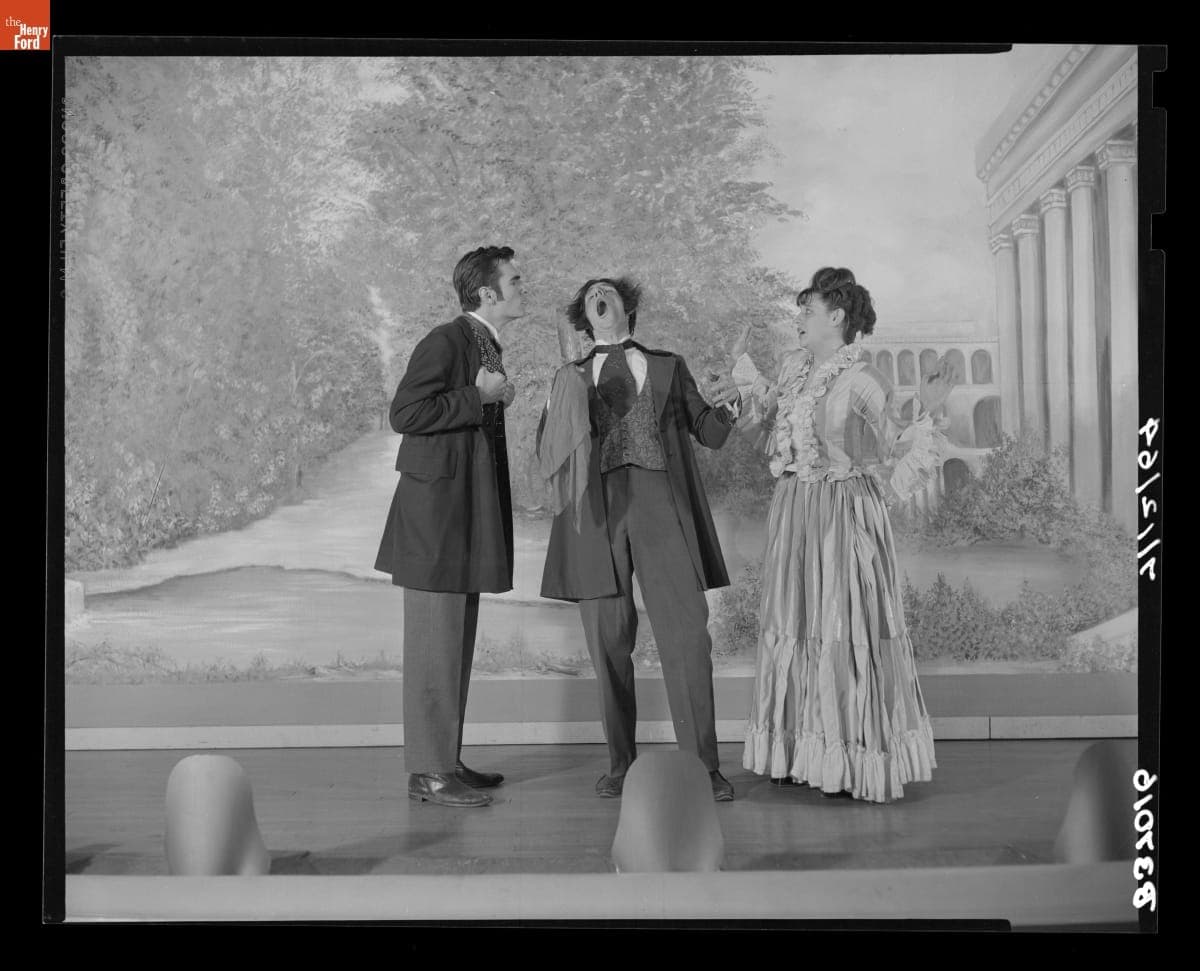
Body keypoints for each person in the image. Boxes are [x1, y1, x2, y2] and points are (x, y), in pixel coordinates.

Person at [732, 267, 954, 803]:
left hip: (843, 512)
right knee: (796, 620)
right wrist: (741, 371)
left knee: (841, 623)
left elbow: (897, 443)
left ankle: (849, 757)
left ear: (837, 317)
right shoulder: (793, 368)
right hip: (795, 511)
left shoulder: (865, 378)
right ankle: (795, 751)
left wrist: (925, 406)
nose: (799, 320)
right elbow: (767, 419)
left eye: (807, 310)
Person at [537, 276, 739, 802]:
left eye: (607, 292)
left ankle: (704, 767)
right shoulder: (570, 377)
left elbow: (709, 432)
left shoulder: (669, 365)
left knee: (688, 637)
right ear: (585, 318)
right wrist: (564, 399)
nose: (599, 300)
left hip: (660, 505)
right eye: (589, 298)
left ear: (627, 305)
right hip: (598, 513)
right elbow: (548, 451)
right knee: (607, 642)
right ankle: (621, 764)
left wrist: (731, 407)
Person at [374, 245, 522, 808]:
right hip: (435, 520)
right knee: (435, 643)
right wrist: (476, 396)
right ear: (486, 292)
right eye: (514, 279)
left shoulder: (483, 342)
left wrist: (490, 397)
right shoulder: (446, 339)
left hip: (462, 512)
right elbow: (404, 414)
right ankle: (429, 773)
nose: (520, 285)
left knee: (453, 641)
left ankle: (445, 762)